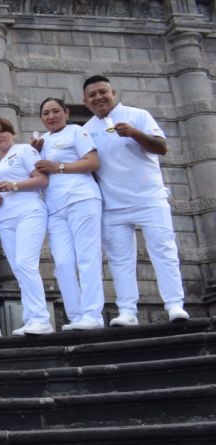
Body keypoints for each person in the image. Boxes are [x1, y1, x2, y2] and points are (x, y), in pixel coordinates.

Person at [81, 75, 189, 324]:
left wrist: (134, 133)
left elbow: (161, 147)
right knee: (119, 259)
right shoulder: (86, 130)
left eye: (102, 92)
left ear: (113, 92)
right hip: (113, 205)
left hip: (149, 197)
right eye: (92, 95)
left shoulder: (137, 115)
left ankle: (174, 305)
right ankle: (127, 311)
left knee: (163, 250)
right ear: (85, 101)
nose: (98, 97)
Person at [33, 97, 105, 331]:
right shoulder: (41, 142)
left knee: (87, 257)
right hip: (55, 207)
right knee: (63, 263)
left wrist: (59, 167)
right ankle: (75, 317)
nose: (51, 117)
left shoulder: (77, 132)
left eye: (55, 111)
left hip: (81, 199)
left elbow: (93, 162)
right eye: (46, 113)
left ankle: (93, 314)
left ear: (66, 112)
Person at [0, 117, 52, 335]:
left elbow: (42, 180)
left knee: (26, 263)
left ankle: (41, 319)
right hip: (5, 218)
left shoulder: (24, 150)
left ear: (11, 132)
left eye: (1, 131)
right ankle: (31, 318)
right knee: (18, 268)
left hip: (29, 212)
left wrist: (14, 185)